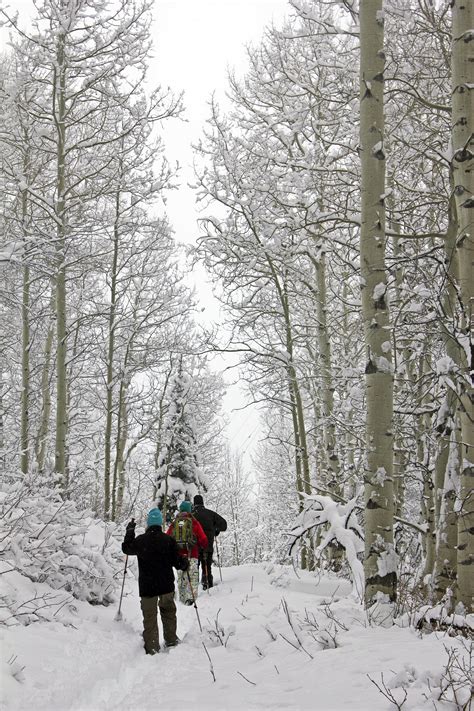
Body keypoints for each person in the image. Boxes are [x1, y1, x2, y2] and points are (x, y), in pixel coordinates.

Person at [122, 508, 188, 655]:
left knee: (150, 616)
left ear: (148, 523)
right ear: (159, 524)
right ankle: (171, 640)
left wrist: (130, 531)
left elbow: (126, 548)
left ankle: (152, 647)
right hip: (166, 585)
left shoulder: (140, 541)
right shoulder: (168, 541)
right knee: (169, 612)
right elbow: (179, 564)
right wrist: (184, 562)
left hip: (148, 587)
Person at [166, 501, 208, 605]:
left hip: (179, 557)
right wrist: (202, 546)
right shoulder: (194, 522)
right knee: (192, 578)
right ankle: (192, 600)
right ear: (190, 510)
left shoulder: (175, 523)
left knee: (181, 578)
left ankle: (182, 600)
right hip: (192, 554)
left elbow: (167, 537)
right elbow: (204, 540)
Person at [192, 494, 227, 589]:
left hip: (194, 547)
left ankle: (193, 589)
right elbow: (224, 525)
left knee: (194, 569)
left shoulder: (191, 515)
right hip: (207, 546)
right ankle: (207, 584)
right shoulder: (210, 514)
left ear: (194, 503)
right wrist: (216, 529)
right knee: (206, 567)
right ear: (202, 503)